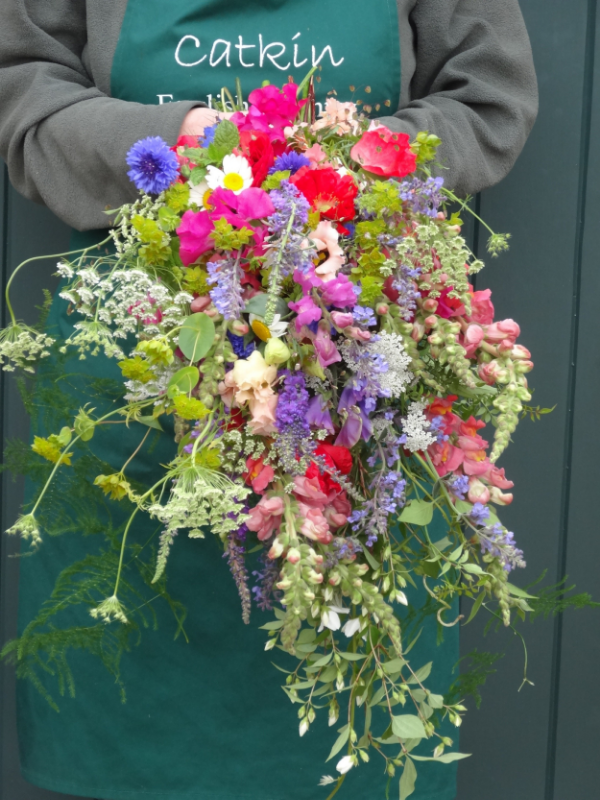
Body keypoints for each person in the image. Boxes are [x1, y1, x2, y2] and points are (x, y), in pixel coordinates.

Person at [0, 2, 538, 800]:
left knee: (349, 721)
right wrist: (174, 142)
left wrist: (353, 167)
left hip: (354, 368)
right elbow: (21, 85)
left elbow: (489, 95)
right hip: (134, 396)